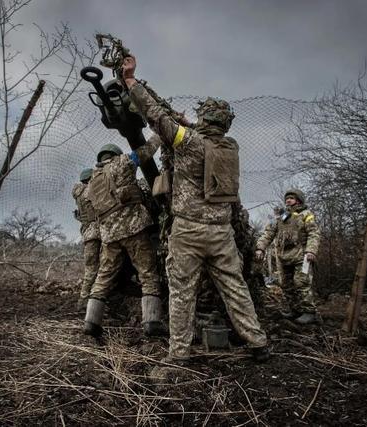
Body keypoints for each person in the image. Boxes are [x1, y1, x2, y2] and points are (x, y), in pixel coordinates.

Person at [122, 54, 269, 363]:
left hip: (187, 231)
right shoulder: (230, 146)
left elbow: (154, 115)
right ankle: (258, 343)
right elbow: (198, 135)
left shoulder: (188, 142)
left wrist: (131, 81)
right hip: (221, 232)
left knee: (182, 292)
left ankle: (179, 354)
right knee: (235, 287)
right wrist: (189, 123)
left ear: (205, 121)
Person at [82, 143, 165, 337]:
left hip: (109, 236)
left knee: (103, 277)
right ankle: (152, 322)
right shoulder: (123, 163)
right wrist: (160, 132)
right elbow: (145, 151)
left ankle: (91, 322)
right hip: (133, 229)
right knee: (148, 273)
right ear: (115, 155)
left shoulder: (92, 180)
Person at [255, 189, 322, 324]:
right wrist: (260, 248)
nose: (288, 200)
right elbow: (268, 233)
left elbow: (314, 233)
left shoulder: (306, 215)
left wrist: (311, 251)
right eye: (287, 198)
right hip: (284, 257)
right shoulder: (281, 217)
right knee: (286, 285)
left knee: (301, 283)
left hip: (302, 257)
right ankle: (294, 310)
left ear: (298, 200)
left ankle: (309, 312)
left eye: (291, 198)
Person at [72, 168, 101, 311]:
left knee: (90, 269)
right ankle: (90, 302)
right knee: (97, 269)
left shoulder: (78, 193)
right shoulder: (91, 191)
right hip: (97, 233)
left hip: (87, 234)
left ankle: (83, 300)